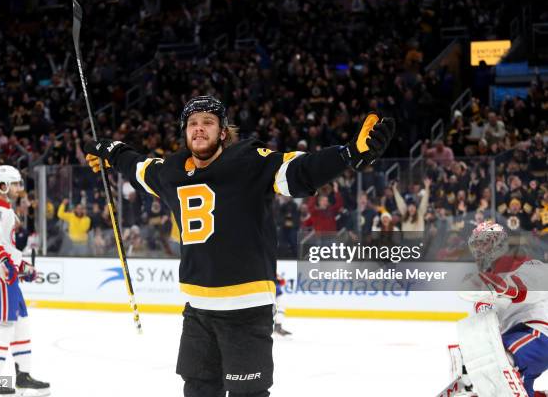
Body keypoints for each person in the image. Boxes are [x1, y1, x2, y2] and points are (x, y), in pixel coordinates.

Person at [85, 96, 395, 397]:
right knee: (197, 390)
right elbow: (140, 169)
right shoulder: (173, 170)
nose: (199, 128)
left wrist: (349, 153)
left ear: (222, 132)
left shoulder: (248, 160)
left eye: (208, 121)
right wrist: (113, 151)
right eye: (192, 122)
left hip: (245, 310)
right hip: (197, 312)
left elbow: (298, 171)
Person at [0, 165, 50, 396]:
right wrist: (3, 260)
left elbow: (2, 244)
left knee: (21, 320)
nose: (19, 188)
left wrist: (21, 266)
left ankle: (23, 376)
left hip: (0, 271)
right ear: (2, 186)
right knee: (4, 324)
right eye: (14, 183)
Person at [460, 221, 547, 397]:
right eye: (476, 245)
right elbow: (484, 326)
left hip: (540, 334)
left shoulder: (529, 265)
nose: (479, 250)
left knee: (501, 361)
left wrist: (506, 288)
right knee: (516, 385)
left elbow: (529, 288)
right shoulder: (487, 283)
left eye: (483, 243)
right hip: (518, 340)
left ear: (498, 243)